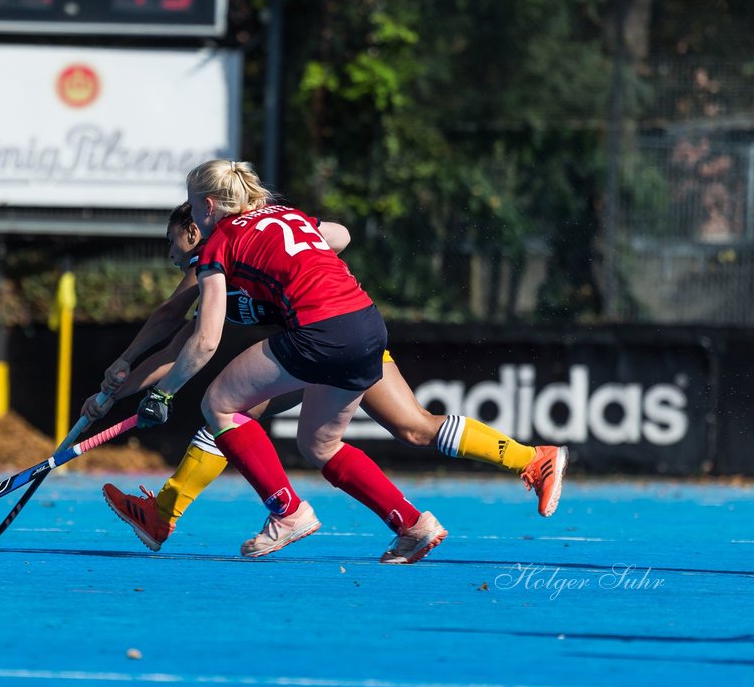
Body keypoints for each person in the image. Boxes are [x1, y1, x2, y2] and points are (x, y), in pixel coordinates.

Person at [87, 204, 567, 552]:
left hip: (323, 337)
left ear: (196, 227)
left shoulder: (215, 258)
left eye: (173, 240)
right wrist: (114, 390)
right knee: (405, 427)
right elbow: (175, 346)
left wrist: (120, 376)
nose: (170, 253)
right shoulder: (219, 263)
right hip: (342, 337)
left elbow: (171, 320)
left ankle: (167, 514)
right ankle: (521, 465)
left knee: (231, 410)